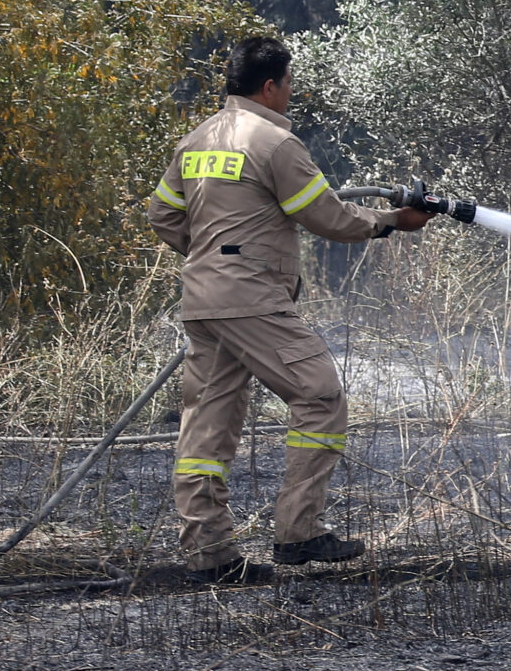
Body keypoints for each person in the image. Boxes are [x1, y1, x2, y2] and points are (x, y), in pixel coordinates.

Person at [147, 36, 432, 585]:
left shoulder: (197, 140)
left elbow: (163, 215)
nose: (291, 94)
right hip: (250, 298)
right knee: (320, 394)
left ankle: (211, 557)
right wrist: (393, 220)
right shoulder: (275, 143)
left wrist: (209, 256)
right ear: (271, 85)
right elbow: (325, 216)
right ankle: (298, 533)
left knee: (205, 431)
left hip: (203, 301)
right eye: (289, 84)